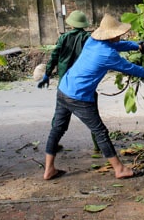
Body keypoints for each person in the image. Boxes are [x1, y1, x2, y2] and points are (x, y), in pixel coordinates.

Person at [43, 14, 144, 180]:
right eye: (118, 33)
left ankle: (49, 169)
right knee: (100, 131)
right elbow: (129, 67)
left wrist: (138, 47)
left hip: (64, 88)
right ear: (112, 35)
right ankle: (119, 169)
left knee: (57, 128)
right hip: (79, 97)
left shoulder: (93, 41)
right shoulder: (107, 55)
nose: (120, 35)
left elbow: (118, 45)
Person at [36, 10, 102, 152]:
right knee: (93, 116)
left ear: (71, 24)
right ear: (83, 24)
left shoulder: (63, 38)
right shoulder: (89, 38)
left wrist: (47, 74)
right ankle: (98, 146)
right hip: (83, 82)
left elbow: (54, 56)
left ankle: (53, 145)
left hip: (65, 85)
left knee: (59, 117)